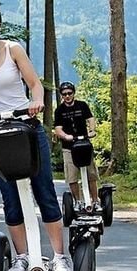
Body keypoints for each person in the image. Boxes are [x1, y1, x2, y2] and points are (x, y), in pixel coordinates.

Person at [0, 0, 73, 271]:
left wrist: (35, 102)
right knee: (11, 200)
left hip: (27, 128)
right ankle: (21, 257)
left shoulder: (13, 49)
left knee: (44, 191)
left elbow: (35, 84)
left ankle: (60, 257)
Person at [54, 81, 102, 212]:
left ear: (73, 93)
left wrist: (92, 131)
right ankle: (78, 201)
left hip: (84, 144)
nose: (67, 96)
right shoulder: (59, 111)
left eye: (69, 93)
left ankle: (95, 201)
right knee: (72, 177)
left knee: (91, 174)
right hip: (69, 147)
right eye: (64, 94)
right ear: (61, 96)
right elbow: (58, 129)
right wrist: (65, 136)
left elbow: (90, 119)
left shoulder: (82, 105)